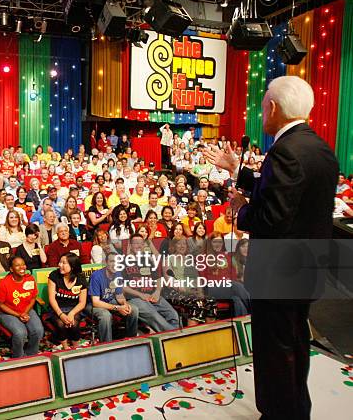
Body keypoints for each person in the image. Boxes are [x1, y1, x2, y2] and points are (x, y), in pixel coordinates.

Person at [204, 75, 339, 420]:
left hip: (279, 275)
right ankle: (297, 411)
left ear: (273, 107)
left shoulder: (286, 151)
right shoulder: (319, 148)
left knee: (275, 353)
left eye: (263, 105)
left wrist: (241, 210)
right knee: (294, 346)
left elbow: (271, 218)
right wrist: (239, 171)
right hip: (305, 273)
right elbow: (288, 194)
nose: (262, 111)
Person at [122, 234, 179, 332]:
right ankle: (175, 336)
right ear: (130, 245)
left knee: (173, 315)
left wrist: (157, 291)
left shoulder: (148, 260)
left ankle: (170, 337)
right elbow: (122, 286)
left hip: (152, 295)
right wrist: (141, 294)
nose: (139, 246)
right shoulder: (122, 262)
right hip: (135, 298)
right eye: (135, 243)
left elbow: (158, 279)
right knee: (155, 317)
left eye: (141, 243)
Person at [0, 255, 44, 358]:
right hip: (8, 313)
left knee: (38, 330)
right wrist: (18, 314)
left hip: (27, 310)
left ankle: (31, 354)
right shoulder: (4, 283)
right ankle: (18, 357)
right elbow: (0, 304)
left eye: (23, 264)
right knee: (20, 333)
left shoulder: (30, 279)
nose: (22, 267)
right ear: (11, 269)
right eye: (17, 265)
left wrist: (25, 312)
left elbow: (33, 298)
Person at [87, 253, 139, 343]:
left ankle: (131, 340)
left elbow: (119, 295)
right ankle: (107, 344)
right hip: (93, 305)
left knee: (133, 309)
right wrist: (118, 308)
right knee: (105, 316)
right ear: (106, 263)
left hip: (110, 301)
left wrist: (125, 304)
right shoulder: (96, 276)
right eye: (112, 261)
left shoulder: (118, 274)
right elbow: (95, 302)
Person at [47, 253, 88, 349]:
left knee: (74, 324)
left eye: (64, 263)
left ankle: (75, 346)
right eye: (60, 262)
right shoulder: (54, 275)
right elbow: (52, 298)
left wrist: (72, 313)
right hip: (57, 308)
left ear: (72, 266)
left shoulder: (81, 279)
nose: (60, 265)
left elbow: (82, 302)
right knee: (61, 324)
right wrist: (60, 314)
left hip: (74, 308)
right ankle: (65, 347)